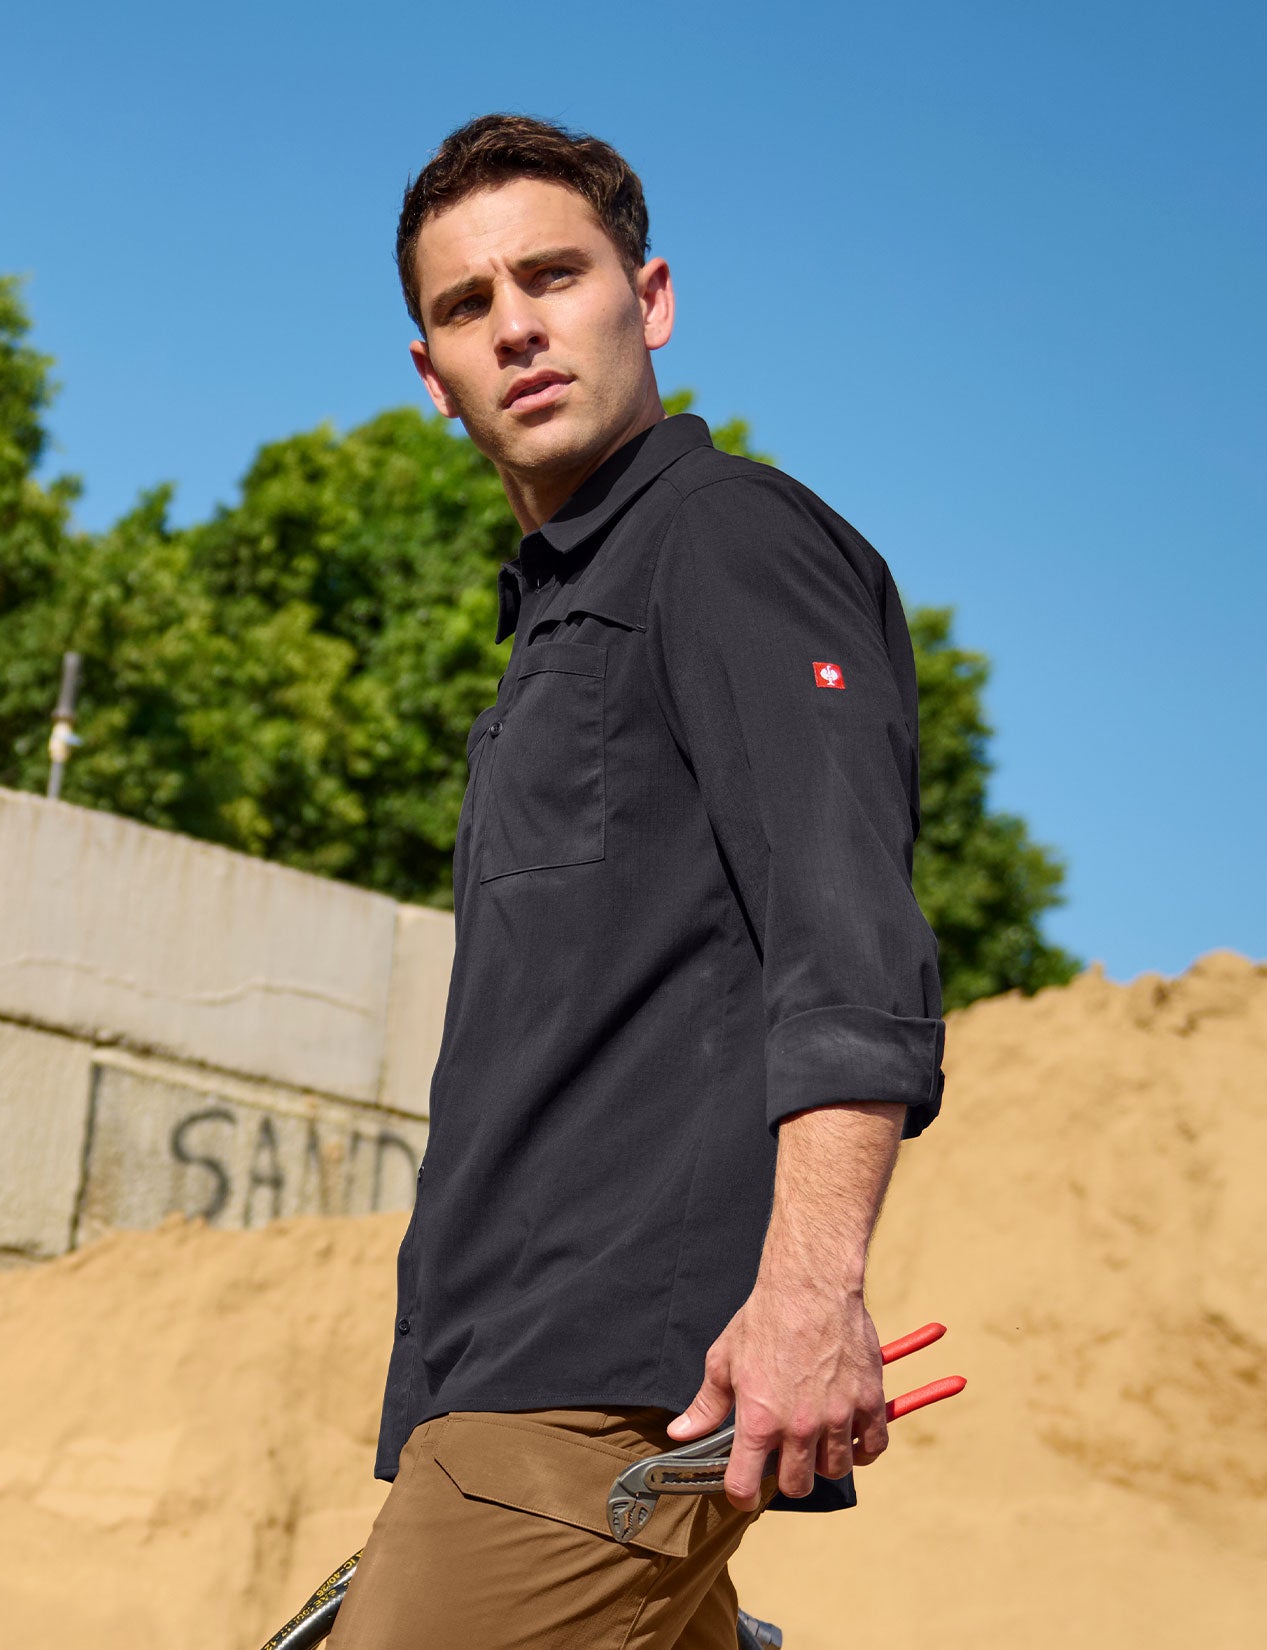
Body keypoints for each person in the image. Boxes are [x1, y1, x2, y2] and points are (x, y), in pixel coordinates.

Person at [327, 112, 945, 1650]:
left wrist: (813, 1284)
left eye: (553, 273)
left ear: (648, 299)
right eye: (466, 306)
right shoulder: (550, 634)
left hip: (595, 1391)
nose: (515, 324)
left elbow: (848, 935)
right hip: (516, 1391)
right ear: (431, 373)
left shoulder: (725, 543)